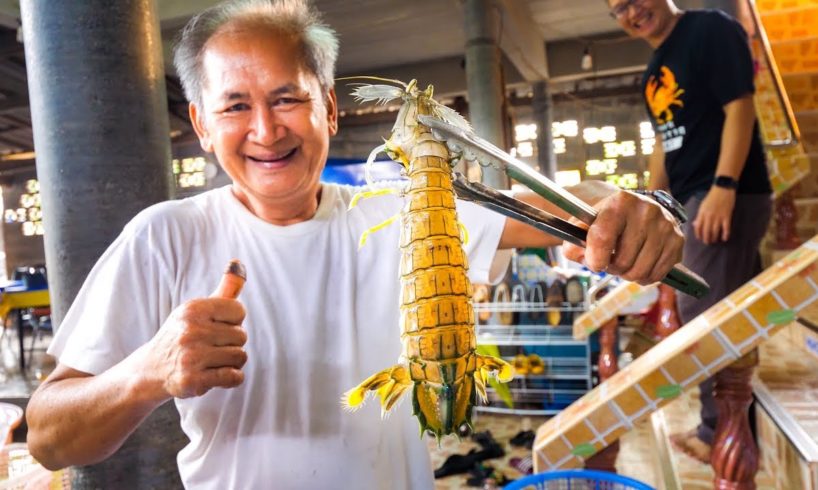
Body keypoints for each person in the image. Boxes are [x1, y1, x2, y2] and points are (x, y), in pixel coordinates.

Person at [25, 1, 685, 488]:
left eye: (288, 98)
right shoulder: (163, 237)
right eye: (233, 107)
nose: (264, 129)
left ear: (331, 109)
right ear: (200, 125)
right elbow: (49, 435)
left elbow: (563, 210)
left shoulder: (400, 211)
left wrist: (640, 208)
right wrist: (146, 372)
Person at [607, 0, 773, 464]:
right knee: (726, 314)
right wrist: (651, 204)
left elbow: (740, 107)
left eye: (633, 0)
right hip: (692, 197)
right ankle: (735, 428)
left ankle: (715, 430)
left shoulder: (708, 30)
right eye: (617, 9)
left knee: (702, 315)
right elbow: (665, 141)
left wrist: (724, 186)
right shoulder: (655, 69)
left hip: (722, 194)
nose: (630, 12)